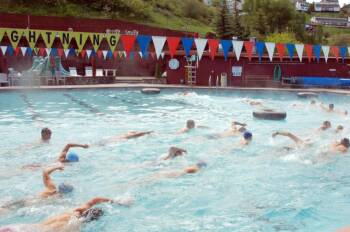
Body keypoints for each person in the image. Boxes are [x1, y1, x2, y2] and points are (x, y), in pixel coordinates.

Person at [0, 197, 133, 232]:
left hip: (19, 227)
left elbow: (95, 200)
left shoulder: (72, 212)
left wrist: (115, 201)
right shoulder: (75, 227)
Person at [0, 166, 73, 213]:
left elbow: (45, 172)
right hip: (31, 207)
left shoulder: (51, 188)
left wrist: (57, 167)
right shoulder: (60, 199)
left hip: (26, 199)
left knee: (5, 206)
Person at [22, 143, 89, 170]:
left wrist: (82, 146)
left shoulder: (61, 157)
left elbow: (68, 145)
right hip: (43, 168)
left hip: (41, 165)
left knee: (25, 167)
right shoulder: (63, 165)